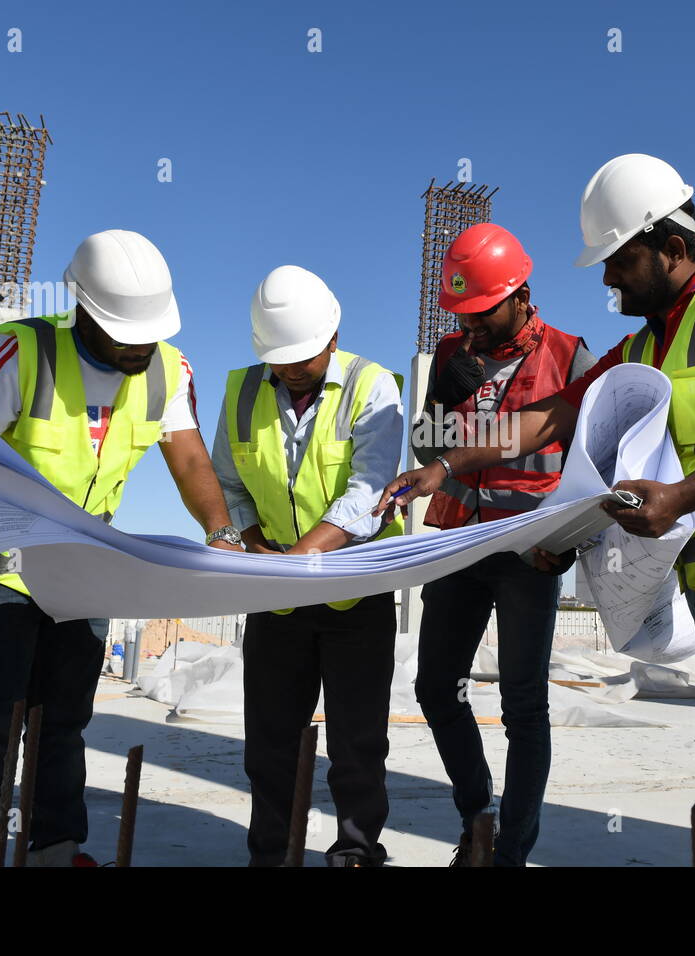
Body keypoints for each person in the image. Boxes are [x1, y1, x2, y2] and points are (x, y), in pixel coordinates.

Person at [378, 154, 695, 866]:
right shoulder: (644, 346)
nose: (606, 278)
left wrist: (681, 499)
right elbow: (548, 420)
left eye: (618, 261)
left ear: (671, 249)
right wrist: (445, 464)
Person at [0, 229, 243, 867]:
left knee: (66, 713)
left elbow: (186, 457)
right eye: (123, 333)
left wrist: (222, 532)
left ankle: (55, 845)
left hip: (82, 565)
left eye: (145, 333)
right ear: (82, 310)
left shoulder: (168, 368)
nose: (136, 346)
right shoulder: (22, 352)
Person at [409, 223, 594, 866]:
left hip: (530, 553)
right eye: (460, 312)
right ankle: (477, 817)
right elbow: (427, 453)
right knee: (436, 688)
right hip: (459, 543)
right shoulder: (451, 354)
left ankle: (511, 850)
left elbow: (592, 463)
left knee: (523, 704)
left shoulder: (570, 355)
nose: (471, 325)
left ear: (519, 293)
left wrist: (568, 543)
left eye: (480, 310)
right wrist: (439, 399)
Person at [212, 265, 404, 867]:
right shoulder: (242, 391)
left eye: (304, 356)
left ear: (333, 335)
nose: (291, 369)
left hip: (355, 593)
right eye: (281, 358)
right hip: (275, 596)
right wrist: (250, 546)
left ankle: (355, 850)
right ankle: (271, 852)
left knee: (357, 740)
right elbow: (227, 482)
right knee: (269, 741)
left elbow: (368, 493)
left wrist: (299, 559)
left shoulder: (373, 387)